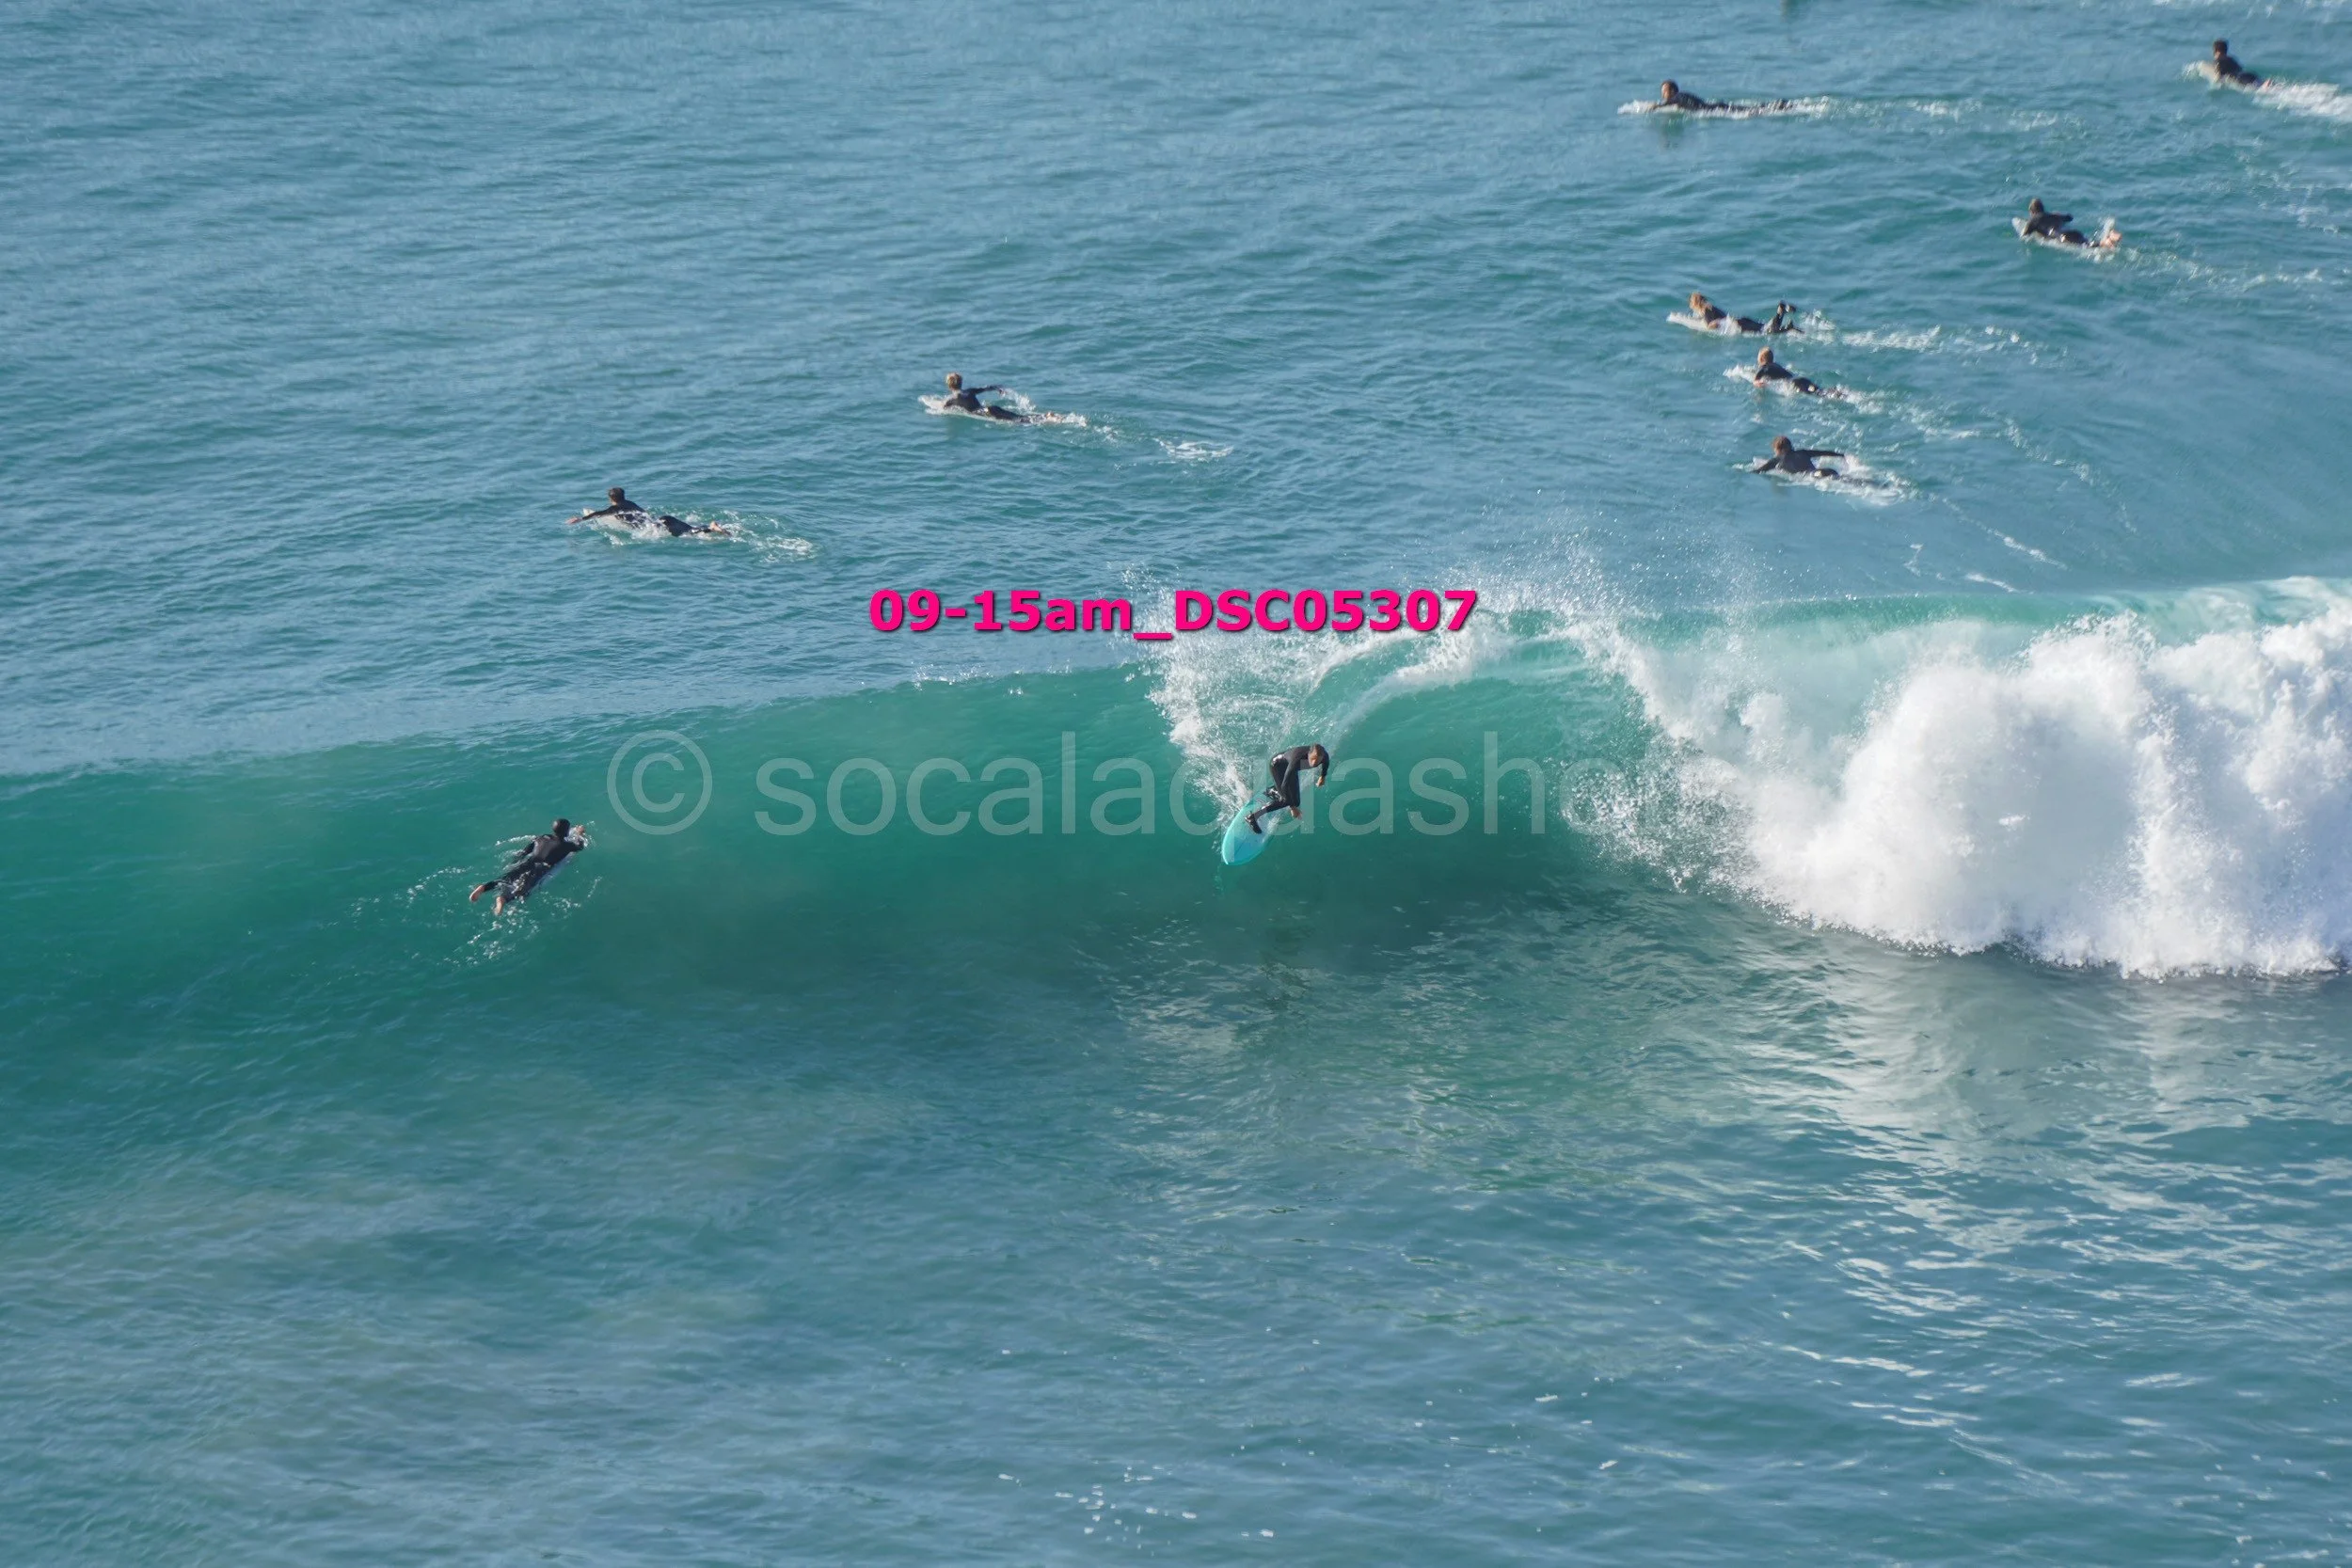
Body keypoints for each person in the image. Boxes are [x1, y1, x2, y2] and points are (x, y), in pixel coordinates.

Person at [471, 819, 588, 915]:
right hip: (541, 868)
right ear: (567, 832)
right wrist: (579, 833)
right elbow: (580, 847)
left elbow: (525, 851)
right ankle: (503, 899)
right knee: (522, 890)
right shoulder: (566, 846)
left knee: (505, 879)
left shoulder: (542, 837)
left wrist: (515, 861)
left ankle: (484, 887)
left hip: (528, 862)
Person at [564, 488, 727, 536]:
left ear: (611, 499)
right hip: (663, 519)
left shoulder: (615, 508)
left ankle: (711, 529)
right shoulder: (631, 503)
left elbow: (599, 514)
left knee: (687, 534)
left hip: (657, 528)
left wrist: (580, 519)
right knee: (690, 529)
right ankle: (711, 526)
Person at [1246, 743, 1331, 834]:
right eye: (1312, 759)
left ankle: (1272, 791)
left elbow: (1326, 763)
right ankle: (1252, 817)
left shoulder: (1324, 756)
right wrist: (1292, 807)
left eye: (1317, 761)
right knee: (1287, 801)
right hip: (1277, 766)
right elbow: (1285, 785)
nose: (1314, 763)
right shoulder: (1297, 760)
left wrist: (1322, 777)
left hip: (1290, 768)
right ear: (1308, 754)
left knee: (1296, 801)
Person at [2021, 198, 2120, 249]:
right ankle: (2110, 237)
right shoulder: (2053, 216)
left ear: (2032, 212)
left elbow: (2024, 236)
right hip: (2072, 232)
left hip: (2063, 238)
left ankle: (2106, 241)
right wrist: (2057, 214)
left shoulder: (2033, 220)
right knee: (2089, 242)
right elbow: (2069, 218)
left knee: (2088, 247)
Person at [941, 372, 1028, 422]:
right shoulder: (970, 391)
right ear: (961, 383)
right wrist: (997, 388)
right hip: (991, 408)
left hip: (985, 413)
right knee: (1021, 417)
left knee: (1017, 422)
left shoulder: (950, 399)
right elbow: (986, 388)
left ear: (949, 385)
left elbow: (943, 409)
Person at [1752, 435, 1844, 477]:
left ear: (1779, 449)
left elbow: (1759, 471)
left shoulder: (1776, 460)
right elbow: (1825, 453)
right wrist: (1842, 455)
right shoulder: (1803, 452)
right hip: (1827, 470)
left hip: (1816, 476)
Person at [1753, 346, 1827, 395]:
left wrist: (1759, 384)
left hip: (1794, 384)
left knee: (1818, 394)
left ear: (1761, 359)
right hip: (1800, 379)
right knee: (1821, 392)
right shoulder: (1777, 365)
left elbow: (1756, 381)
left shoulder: (1763, 367)